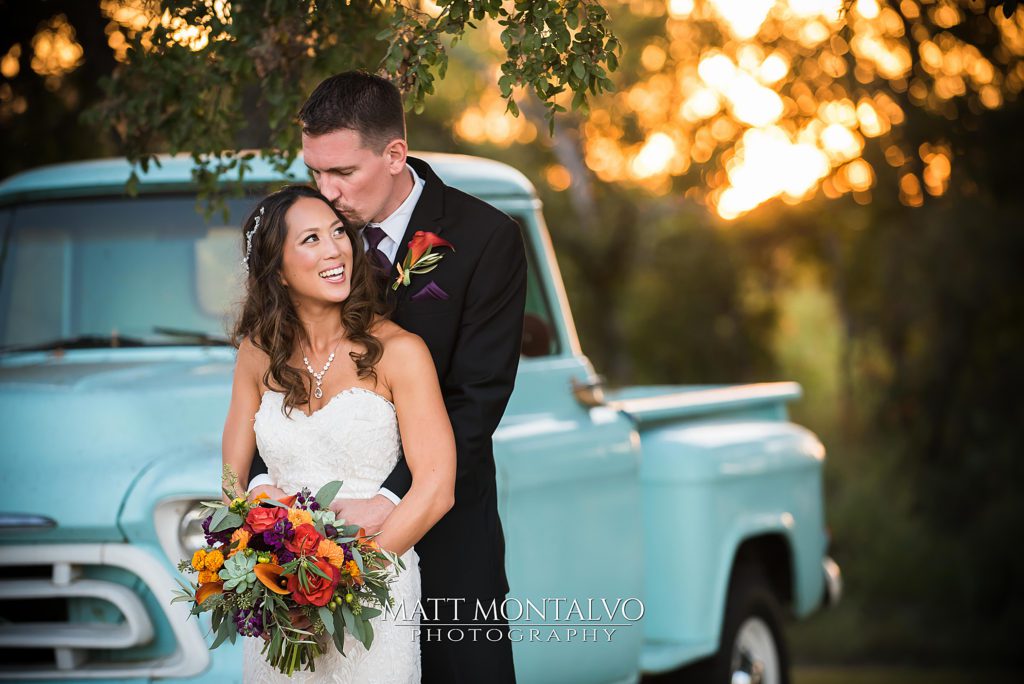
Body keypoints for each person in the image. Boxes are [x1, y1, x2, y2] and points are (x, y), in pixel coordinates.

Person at [246, 71, 526, 682]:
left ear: (395, 155)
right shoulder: (314, 231)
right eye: (315, 172)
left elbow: (476, 401)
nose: (327, 191)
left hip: (447, 534)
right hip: (306, 552)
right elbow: (272, 378)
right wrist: (267, 502)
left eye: (343, 173)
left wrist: (391, 500)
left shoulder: (486, 239)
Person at [222, 185, 456, 682]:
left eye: (337, 233)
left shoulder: (400, 351)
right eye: (311, 239)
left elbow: (437, 489)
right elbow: (230, 482)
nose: (335, 250)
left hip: (374, 593)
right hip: (281, 604)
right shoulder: (256, 354)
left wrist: (339, 582)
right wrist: (278, 573)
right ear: (278, 270)